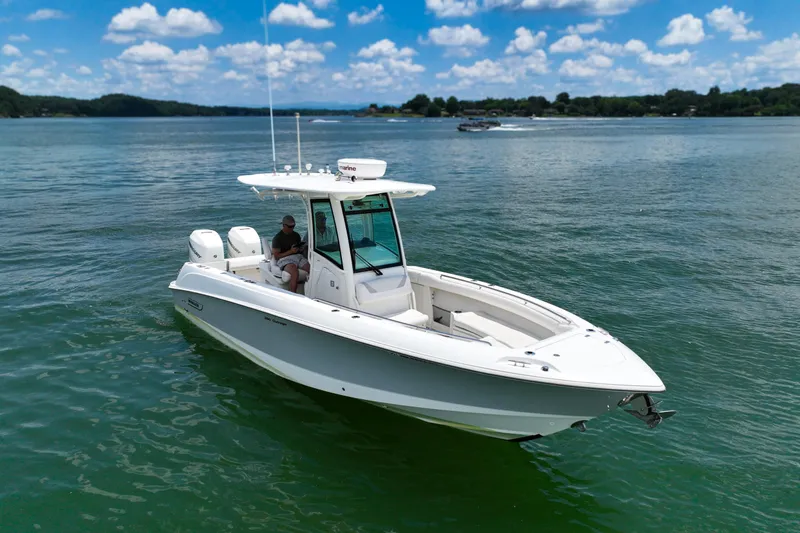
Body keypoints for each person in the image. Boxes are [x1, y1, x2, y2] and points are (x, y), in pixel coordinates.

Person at [272, 215, 310, 293]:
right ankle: (292, 294)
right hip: (284, 259)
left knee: (311, 268)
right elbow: (276, 256)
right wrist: (291, 251)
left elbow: (299, 249)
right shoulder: (277, 238)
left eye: (293, 226)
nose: (292, 228)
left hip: (297, 256)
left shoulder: (296, 235)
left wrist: (301, 248)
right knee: (294, 270)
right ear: (283, 225)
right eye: (290, 226)